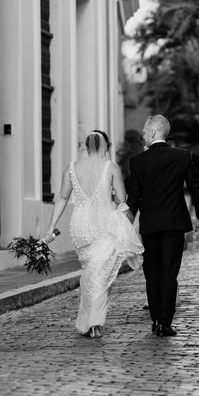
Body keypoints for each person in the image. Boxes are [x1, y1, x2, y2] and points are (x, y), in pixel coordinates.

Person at [46, 130, 144, 338]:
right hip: (103, 225)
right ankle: (94, 322)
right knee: (102, 273)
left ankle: (89, 320)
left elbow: (62, 198)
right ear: (106, 147)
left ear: (86, 147)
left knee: (93, 271)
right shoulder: (110, 168)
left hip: (80, 227)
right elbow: (121, 197)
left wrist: (51, 226)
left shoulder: (71, 168)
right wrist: (109, 194)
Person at [126, 115, 199, 337]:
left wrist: (122, 222)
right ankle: (165, 322)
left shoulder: (138, 161)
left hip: (150, 226)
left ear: (153, 132)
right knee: (169, 274)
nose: (142, 134)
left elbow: (133, 198)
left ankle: (155, 320)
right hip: (173, 224)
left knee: (152, 273)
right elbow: (196, 187)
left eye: (144, 130)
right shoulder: (181, 156)